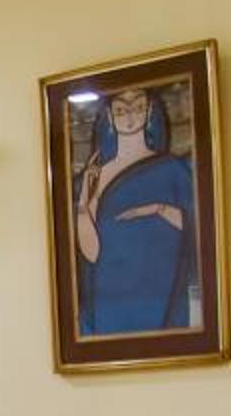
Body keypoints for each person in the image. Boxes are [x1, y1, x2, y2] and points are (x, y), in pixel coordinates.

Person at [73, 85, 196, 334]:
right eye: (121, 110)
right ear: (110, 116)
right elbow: (92, 253)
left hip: (158, 297)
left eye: (138, 107)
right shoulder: (95, 176)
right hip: (108, 301)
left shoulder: (172, 170)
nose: (129, 116)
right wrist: (84, 200)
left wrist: (158, 209)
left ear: (149, 111)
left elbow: (198, 230)